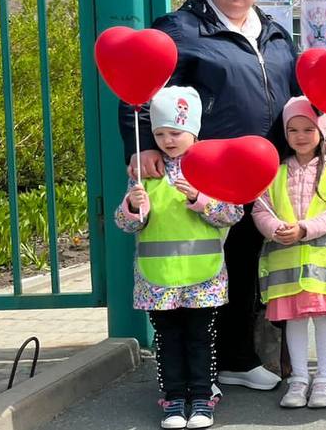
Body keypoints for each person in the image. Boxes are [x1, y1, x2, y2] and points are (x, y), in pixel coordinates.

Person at [121, 0, 299, 392]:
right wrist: (140, 144)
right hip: (201, 171)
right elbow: (140, 87)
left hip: (260, 171)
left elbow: (296, 98)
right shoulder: (181, 29)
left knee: (240, 266)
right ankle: (199, 371)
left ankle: (235, 359)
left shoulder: (275, 33)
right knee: (201, 267)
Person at [116, 87, 244, 429]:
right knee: (167, 339)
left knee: (201, 336)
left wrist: (200, 200)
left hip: (203, 276)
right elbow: (125, 223)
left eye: (175, 132)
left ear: (194, 130)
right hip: (157, 277)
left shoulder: (213, 169)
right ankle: (173, 397)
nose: (168, 140)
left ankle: (202, 395)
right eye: (160, 133)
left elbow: (233, 213)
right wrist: (132, 206)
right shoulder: (145, 170)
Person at [254, 97, 326, 410]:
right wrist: (274, 229)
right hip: (287, 262)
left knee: (324, 319)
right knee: (295, 321)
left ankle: (325, 379)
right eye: (292, 130)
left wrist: (304, 229)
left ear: (322, 131)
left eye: (308, 129)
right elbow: (261, 208)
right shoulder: (273, 172)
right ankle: (299, 378)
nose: (300, 136)